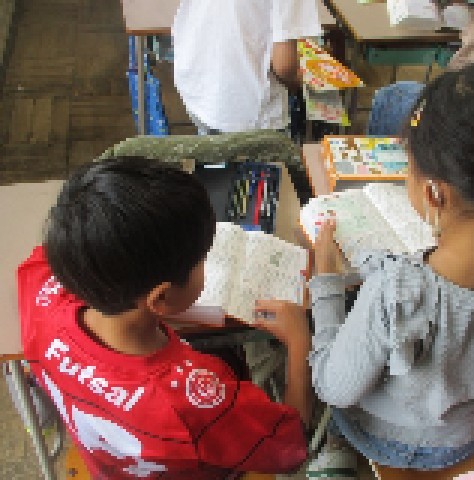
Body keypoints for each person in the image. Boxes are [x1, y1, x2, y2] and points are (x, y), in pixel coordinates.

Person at [303, 64, 474, 473]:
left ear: (435, 194)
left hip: (383, 436)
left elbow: (335, 389)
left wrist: (326, 282)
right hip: (465, 436)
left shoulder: (394, 291)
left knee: (335, 338)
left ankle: (337, 447)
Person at [18, 157, 312, 479]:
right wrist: (299, 343)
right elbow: (290, 448)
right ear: (161, 298)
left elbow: (40, 259)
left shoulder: (43, 305)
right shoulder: (192, 400)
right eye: (202, 260)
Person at [172, 0, 322, 134]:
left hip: (197, 82)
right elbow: (284, 66)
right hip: (246, 108)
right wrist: (301, 82)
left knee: (212, 147)